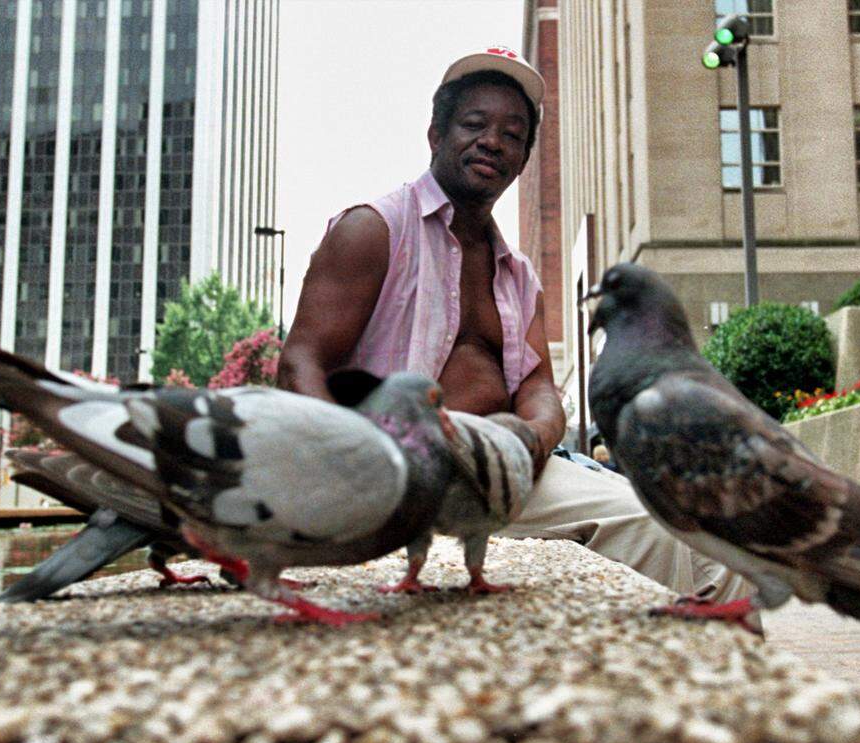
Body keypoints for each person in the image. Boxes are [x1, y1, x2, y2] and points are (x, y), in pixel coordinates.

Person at [279, 47, 747, 602]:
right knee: (643, 527)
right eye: (474, 124)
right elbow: (300, 361)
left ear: (524, 159)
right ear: (435, 134)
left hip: (505, 469)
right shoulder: (375, 229)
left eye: (513, 134)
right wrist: (350, 468)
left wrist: (531, 438)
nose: (493, 141)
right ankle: (637, 677)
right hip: (398, 467)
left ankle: (717, 686)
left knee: (718, 548)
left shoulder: (519, 274)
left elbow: (538, 387)